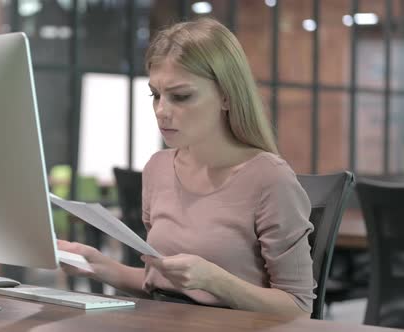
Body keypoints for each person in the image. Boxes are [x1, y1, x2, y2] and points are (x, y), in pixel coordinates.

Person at [58, 17, 315, 318]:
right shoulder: (158, 168)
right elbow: (160, 284)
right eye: (155, 95)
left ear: (226, 97)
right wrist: (100, 266)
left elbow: (298, 309)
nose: (161, 111)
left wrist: (216, 281)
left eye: (181, 96)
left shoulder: (270, 178)